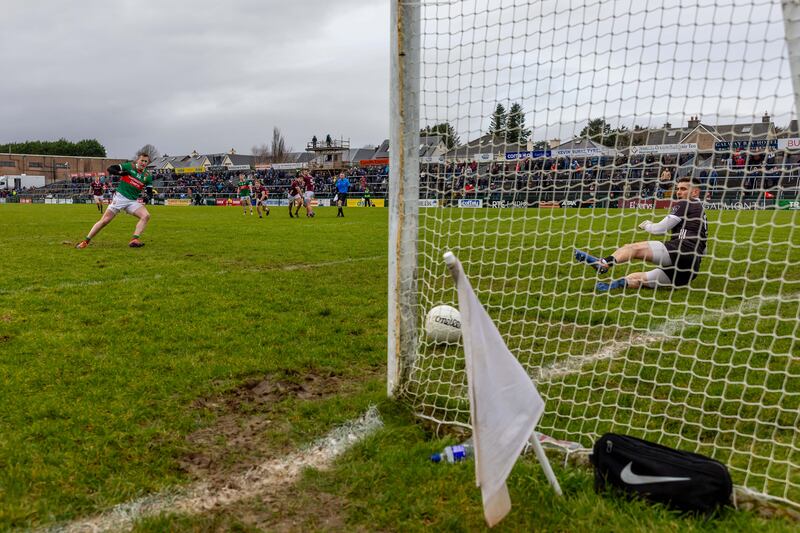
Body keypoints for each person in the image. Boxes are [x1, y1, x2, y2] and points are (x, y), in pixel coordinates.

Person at [575, 176, 708, 291]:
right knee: (636, 278)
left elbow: (659, 229)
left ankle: (603, 263)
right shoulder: (701, 211)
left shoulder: (686, 203)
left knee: (632, 248)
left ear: (695, 192)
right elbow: (705, 249)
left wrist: (647, 225)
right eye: (678, 189)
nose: (679, 192)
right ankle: (611, 286)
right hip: (691, 269)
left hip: (682, 250)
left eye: (683, 189)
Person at [76, 151, 153, 248]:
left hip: (132, 201)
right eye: (142, 160)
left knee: (146, 216)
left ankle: (134, 240)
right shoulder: (129, 166)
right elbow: (110, 168)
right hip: (120, 198)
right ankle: (85, 242)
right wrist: (120, 173)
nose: (143, 163)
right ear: (137, 160)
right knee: (105, 221)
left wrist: (147, 198)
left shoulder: (147, 176)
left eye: (146, 161)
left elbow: (150, 192)